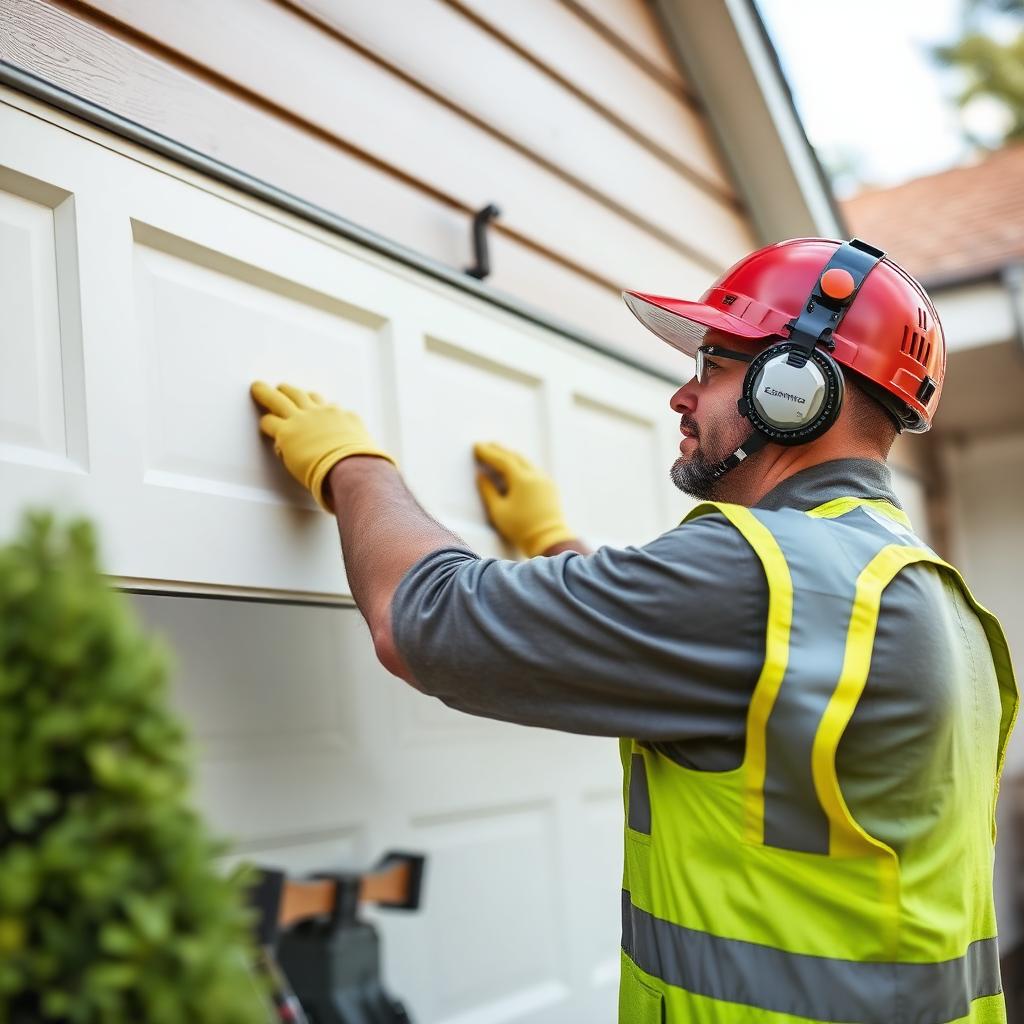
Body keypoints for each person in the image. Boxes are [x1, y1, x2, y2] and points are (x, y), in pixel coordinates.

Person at [250, 237, 1018, 1024]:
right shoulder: (930, 595)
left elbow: (426, 621)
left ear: (796, 386)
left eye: (711, 367)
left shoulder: (761, 575)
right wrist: (553, 542)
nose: (681, 399)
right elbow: (699, 649)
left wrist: (356, 466)